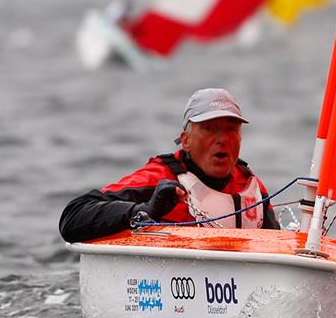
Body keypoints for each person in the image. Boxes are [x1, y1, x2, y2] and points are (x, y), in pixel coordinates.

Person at [59, 88, 280, 243]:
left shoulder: (250, 187)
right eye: (209, 128)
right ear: (186, 141)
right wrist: (144, 211)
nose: (222, 139)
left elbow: (278, 247)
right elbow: (72, 218)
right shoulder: (161, 178)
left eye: (231, 129)